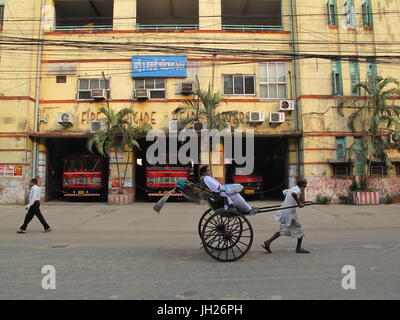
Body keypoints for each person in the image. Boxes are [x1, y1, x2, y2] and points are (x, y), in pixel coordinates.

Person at [262, 177, 309, 254]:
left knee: (283, 229)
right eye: (305, 184)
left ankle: (268, 242)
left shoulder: (294, 188)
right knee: (300, 229)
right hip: (289, 214)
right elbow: (293, 194)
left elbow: (287, 193)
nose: (306, 185)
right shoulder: (297, 190)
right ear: (303, 184)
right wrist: (298, 203)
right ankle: (298, 248)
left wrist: (300, 201)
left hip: (285, 212)